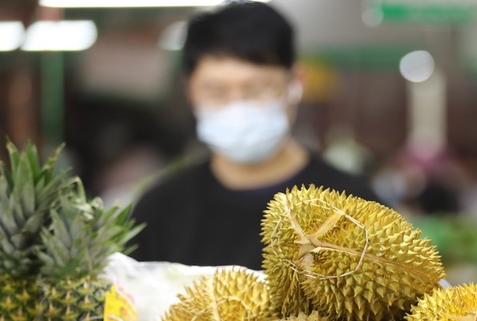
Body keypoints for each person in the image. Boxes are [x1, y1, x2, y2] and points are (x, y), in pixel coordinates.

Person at [130, 1, 378, 270]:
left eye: (257, 89)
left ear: (296, 83)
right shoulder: (159, 209)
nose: (237, 107)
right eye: (217, 91)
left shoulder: (355, 206)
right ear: (191, 91)